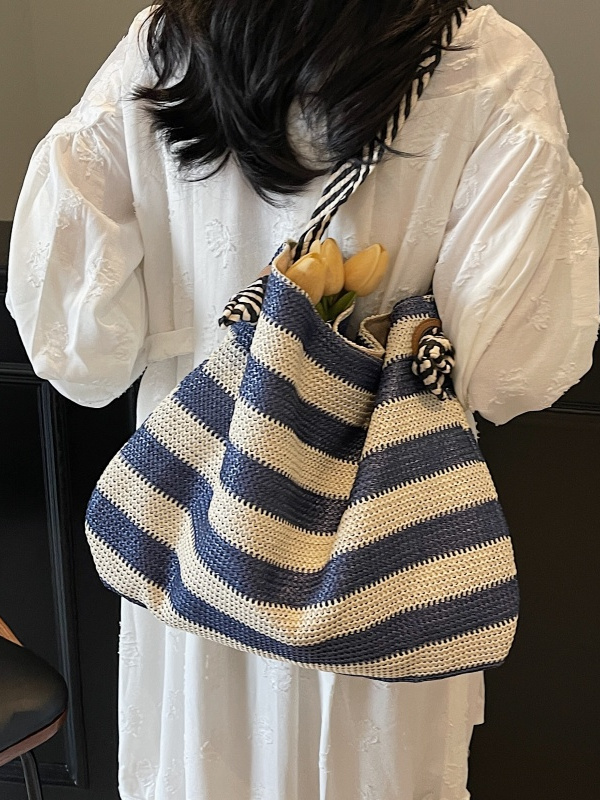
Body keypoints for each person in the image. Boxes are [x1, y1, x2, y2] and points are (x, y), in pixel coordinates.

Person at [6, 2, 599, 798]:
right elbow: (514, 368)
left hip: (202, 517)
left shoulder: (165, 46)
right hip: (381, 535)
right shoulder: (486, 61)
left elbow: (80, 347)